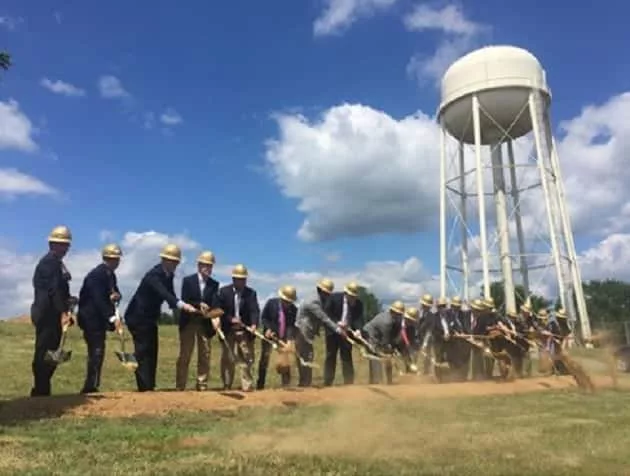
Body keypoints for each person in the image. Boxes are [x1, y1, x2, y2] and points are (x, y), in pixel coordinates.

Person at [124, 244, 197, 392]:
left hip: (150, 318)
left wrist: (185, 305)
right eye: (171, 261)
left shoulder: (168, 275)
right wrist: (183, 306)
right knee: (143, 351)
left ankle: (150, 385)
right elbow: (164, 293)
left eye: (176, 262)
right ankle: (144, 387)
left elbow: (171, 296)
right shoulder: (154, 275)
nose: (174, 264)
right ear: (164, 260)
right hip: (137, 317)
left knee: (152, 351)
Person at [30, 225, 76, 397]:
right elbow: (53, 291)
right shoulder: (49, 263)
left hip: (54, 313)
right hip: (47, 314)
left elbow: (61, 290)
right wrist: (63, 312)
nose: (65, 248)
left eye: (66, 245)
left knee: (52, 353)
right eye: (61, 244)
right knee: (44, 353)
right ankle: (40, 391)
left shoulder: (58, 263)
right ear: (52, 244)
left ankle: (43, 389)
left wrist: (68, 301)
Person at [77, 243, 123, 394]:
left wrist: (117, 295)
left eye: (117, 259)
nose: (115, 262)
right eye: (112, 259)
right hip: (91, 319)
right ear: (105, 258)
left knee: (99, 350)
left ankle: (94, 384)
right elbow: (98, 299)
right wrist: (112, 318)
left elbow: (114, 292)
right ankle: (90, 385)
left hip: (99, 320)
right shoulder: (97, 275)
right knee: (96, 351)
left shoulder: (110, 274)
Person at [175, 250, 221, 391]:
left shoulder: (214, 284)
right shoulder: (188, 281)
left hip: (204, 324)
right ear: (199, 265)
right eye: (205, 265)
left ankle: (202, 385)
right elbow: (185, 299)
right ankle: (180, 385)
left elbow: (214, 303)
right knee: (185, 355)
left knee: (205, 355)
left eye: (210, 265)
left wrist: (215, 317)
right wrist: (198, 304)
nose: (207, 268)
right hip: (189, 322)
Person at [294, 278, 346, 387]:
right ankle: (304, 383)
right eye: (326, 293)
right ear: (320, 290)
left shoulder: (321, 299)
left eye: (328, 293)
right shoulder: (313, 301)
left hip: (306, 332)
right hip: (302, 332)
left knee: (307, 357)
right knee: (306, 357)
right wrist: (338, 330)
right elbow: (324, 318)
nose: (328, 296)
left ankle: (305, 383)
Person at [218, 264, 260, 391]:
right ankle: (227, 385)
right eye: (238, 279)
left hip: (244, 331)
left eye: (243, 279)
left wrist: (253, 324)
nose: (241, 281)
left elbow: (254, 311)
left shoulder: (251, 293)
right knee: (228, 358)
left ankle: (246, 385)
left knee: (247, 358)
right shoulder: (224, 292)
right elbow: (220, 311)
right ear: (233, 279)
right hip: (228, 330)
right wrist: (230, 319)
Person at [323, 281, 364, 386]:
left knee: (346, 356)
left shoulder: (358, 304)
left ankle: (349, 382)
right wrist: (337, 323)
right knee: (331, 356)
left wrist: (358, 330)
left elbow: (358, 318)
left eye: (354, 296)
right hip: (333, 331)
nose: (353, 299)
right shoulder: (334, 298)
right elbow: (327, 313)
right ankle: (328, 382)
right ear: (346, 293)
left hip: (347, 333)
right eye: (351, 296)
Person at [257, 285, 298, 390]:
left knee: (286, 361)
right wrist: (268, 329)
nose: (287, 304)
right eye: (285, 301)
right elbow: (264, 318)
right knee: (264, 360)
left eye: (290, 302)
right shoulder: (271, 303)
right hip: (269, 337)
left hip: (283, 339)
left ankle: (286, 386)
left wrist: (289, 340)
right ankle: (260, 385)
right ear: (281, 298)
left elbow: (291, 326)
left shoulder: (294, 310)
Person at [362, 300, 405, 385]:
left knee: (388, 356)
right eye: (397, 313)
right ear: (392, 312)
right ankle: (376, 381)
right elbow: (385, 341)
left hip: (380, 336)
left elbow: (396, 335)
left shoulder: (397, 320)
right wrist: (389, 350)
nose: (399, 316)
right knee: (377, 356)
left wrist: (394, 347)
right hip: (370, 335)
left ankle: (389, 380)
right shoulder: (387, 322)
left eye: (400, 314)